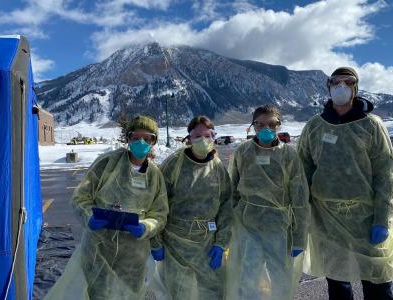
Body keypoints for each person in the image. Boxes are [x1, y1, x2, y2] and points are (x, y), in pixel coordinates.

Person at [44, 115, 169, 300]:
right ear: (128, 138)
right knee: (98, 294)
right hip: (98, 248)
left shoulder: (155, 176)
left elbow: (159, 213)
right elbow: (81, 197)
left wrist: (146, 227)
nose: (141, 142)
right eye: (136, 137)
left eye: (147, 138)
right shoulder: (107, 164)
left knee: (130, 294)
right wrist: (89, 217)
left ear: (153, 142)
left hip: (133, 255)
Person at [297, 67, 393, 300]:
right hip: (326, 219)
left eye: (347, 82)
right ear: (329, 87)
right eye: (335, 82)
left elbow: (385, 173)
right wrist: (300, 218)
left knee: (377, 283)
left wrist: (381, 218)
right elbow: (302, 173)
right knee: (338, 284)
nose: (341, 87)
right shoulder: (315, 126)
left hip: (365, 216)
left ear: (355, 88)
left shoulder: (371, 125)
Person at [226, 104, 310, 300]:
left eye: (272, 124)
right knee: (248, 276)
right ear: (253, 126)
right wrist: (231, 225)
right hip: (248, 226)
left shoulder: (289, 155)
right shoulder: (243, 152)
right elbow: (232, 191)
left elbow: (299, 198)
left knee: (281, 277)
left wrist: (299, 237)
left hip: (279, 227)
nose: (266, 129)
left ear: (279, 126)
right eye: (260, 124)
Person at [150, 115, 232, 300]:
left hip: (208, 242)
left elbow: (226, 205)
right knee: (179, 292)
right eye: (197, 136)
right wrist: (156, 241)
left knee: (213, 290)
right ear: (189, 139)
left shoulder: (217, 166)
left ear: (213, 136)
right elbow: (157, 203)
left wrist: (221, 243)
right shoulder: (174, 164)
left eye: (207, 135)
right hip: (176, 243)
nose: (203, 140)